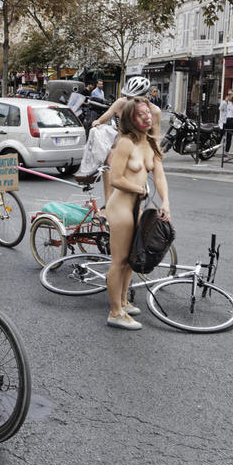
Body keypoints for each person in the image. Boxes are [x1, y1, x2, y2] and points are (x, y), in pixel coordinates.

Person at [105, 98, 170, 330]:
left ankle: (123, 301)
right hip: (121, 208)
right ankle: (115, 312)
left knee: (132, 260)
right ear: (131, 119)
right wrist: (138, 189)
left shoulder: (151, 143)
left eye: (148, 113)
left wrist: (166, 202)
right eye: (141, 114)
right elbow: (116, 179)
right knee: (119, 261)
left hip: (137, 208)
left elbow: (160, 175)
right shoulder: (125, 143)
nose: (147, 117)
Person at [90, 76, 161, 205]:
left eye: (132, 98)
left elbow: (155, 138)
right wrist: (97, 125)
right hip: (121, 147)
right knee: (109, 163)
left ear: (145, 97)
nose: (128, 101)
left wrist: (155, 159)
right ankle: (108, 205)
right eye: (127, 97)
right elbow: (100, 119)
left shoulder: (154, 111)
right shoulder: (120, 103)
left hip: (140, 149)